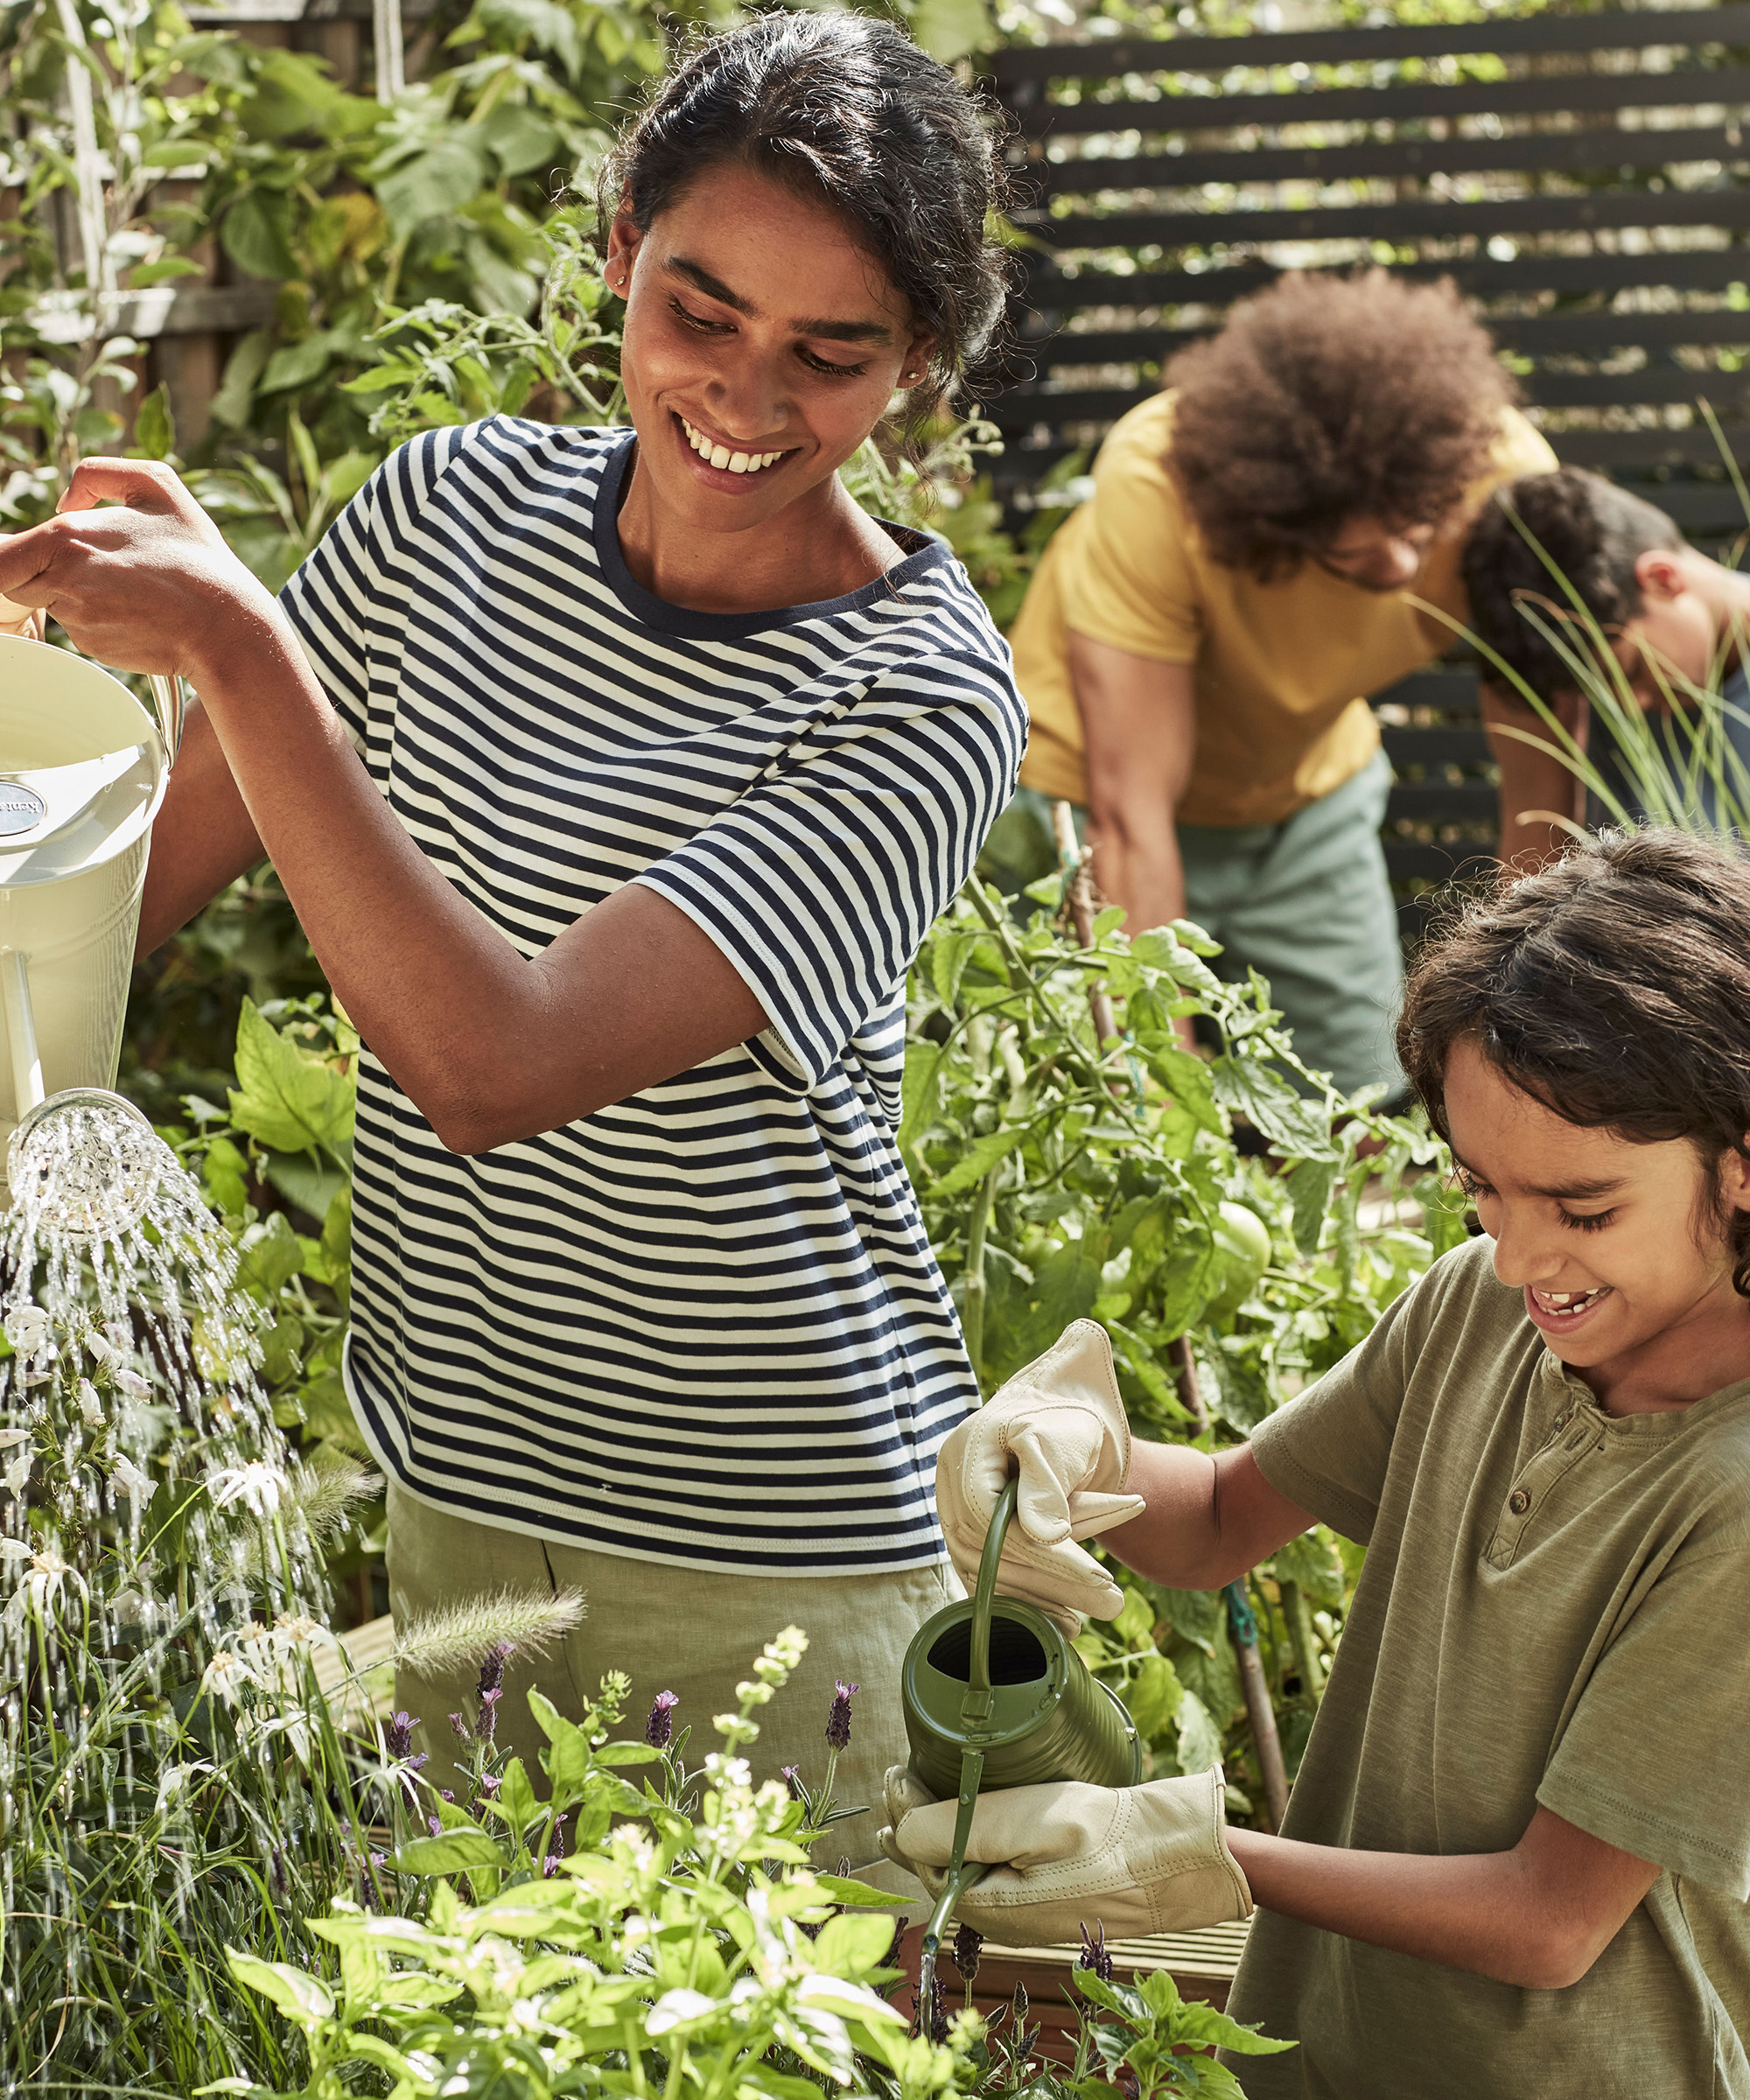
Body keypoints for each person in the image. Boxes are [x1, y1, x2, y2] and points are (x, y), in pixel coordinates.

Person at [0, 15, 1024, 1862]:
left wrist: (246, 649)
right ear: (620, 243)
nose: (744, 395)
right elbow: (119, 900)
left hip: (768, 1549)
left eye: (832, 353)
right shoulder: (440, 519)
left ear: (920, 363)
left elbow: (498, 1068)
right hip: (461, 1503)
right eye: (697, 312)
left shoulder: (921, 694)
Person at [884, 829, 1750, 2096]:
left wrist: (1193, 1848)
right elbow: (1225, 1516)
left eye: (1584, 1210)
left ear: (1740, 1169)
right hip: (1317, 2059)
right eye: (1482, 1192)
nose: (1517, 1259)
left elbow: (1548, 1924)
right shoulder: (1478, 1308)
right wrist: (1071, 1456)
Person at [1000, 270, 1554, 1097]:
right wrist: (1163, 1088)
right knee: (1082, 1105)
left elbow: (1536, 776)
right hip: (1082, 806)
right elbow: (1131, 811)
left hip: (1302, 808)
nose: (1402, 568)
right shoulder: (1161, 485)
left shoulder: (1498, 476)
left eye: (1418, 529)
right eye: (1354, 556)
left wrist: (1527, 1020)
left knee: (1363, 1104)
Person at [1463, 463, 1750, 864]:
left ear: (1662, 579)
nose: (1628, 707)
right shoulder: (1562, 687)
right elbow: (1529, 875)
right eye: (1598, 695)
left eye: (1629, 672)